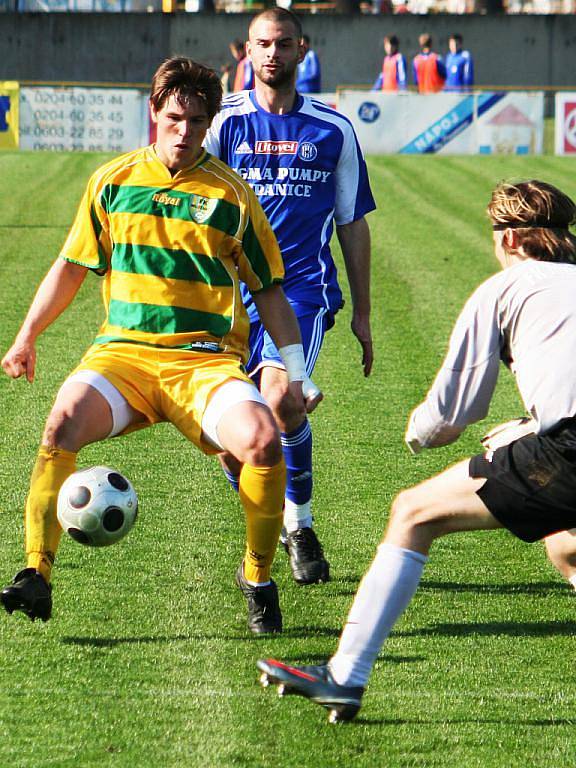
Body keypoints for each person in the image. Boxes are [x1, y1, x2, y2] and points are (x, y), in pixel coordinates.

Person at [0, 56, 320, 636]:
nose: (185, 132)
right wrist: (26, 338)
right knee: (60, 424)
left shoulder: (232, 195)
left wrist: (293, 372)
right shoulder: (111, 181)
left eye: (198, 122)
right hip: (123, 356)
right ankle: (35, 574)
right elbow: (71, 268)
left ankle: (258, 578)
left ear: (209, 123)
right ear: (154, 113)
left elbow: (270, 292)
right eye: (175, 118)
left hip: (202, 362)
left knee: (264, 443)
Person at [256, 179, 576, 721]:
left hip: (566, 451)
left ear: (513, 238)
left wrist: (419, 431)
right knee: (566, 547)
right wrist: (527, 429)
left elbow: (451, 415)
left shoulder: (507, 287)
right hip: (558, 442)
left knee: (412, 513)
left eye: (495, 233)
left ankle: (345, 675)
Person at [204, 7, 375, 587]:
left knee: (281, 402)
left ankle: (299, 527)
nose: (272, 53)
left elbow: (352, 222)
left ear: (302, 49)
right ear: (245, 52)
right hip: (228, 296)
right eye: (261, 44)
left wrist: (365, 313)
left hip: (301, 289)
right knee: (227, 441)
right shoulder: (222, 124)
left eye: (282, 43)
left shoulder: (334, 129)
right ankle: (275, 516)